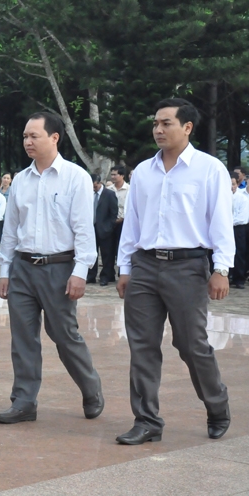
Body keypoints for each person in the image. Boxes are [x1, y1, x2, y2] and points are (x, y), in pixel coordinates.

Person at [115, 98, 233, 445]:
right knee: (142, 345)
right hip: (145, 266)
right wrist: (124, 267)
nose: (158, 129)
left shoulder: (210, 169)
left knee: (191, 344)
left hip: (188, 266)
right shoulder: (143, 172)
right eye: (155, 123)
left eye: (166, 123)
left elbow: (221, 222)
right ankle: (147, 420)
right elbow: (132, 224)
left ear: (187, 128)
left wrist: (221, 268)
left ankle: (217, 406)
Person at [0, 111, 103, 424]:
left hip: (59, 268)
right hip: (23, 269)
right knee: (23, 338)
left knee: (64, 335)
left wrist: (81, 271)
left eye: (34, 136)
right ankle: (24, 401)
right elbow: (10, 230)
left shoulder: (75, 177)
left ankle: (90, 387)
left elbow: (84, 228)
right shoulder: (21, 181)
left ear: (54, 137)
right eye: (25, 136)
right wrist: (5, 271)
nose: (28, 141)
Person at [87, 173, 118, 286]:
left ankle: (106, 276)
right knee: (91, 253)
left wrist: (109, 227)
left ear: (99, 183)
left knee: (107, 255)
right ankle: (91, 276)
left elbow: (113, 213)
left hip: (105, 229)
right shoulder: (88, 194)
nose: (93, 188)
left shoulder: (109, 194)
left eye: (95, 186)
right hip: (91, 228)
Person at [107, 165, 130, 271]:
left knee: (121, 248)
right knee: (108, 249)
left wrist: (123, 218)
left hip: (124, 223)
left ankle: (122, 272)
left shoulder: (129, 189)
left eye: (115, 174)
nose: (113, 177)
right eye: (111, 174)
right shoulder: (108, 190)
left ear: (122, 176)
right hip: (110, 223)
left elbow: (130, 207)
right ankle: (108, 273)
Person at [230, 173, 249, 289]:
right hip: (225, 227)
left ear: (237, 184)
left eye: (233, 184)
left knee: (239, 253)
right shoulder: (221, 196)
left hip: (238, 228)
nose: (231, 186)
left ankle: (239, 279)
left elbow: (242, 218)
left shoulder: (242, 198)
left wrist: (227, 222)